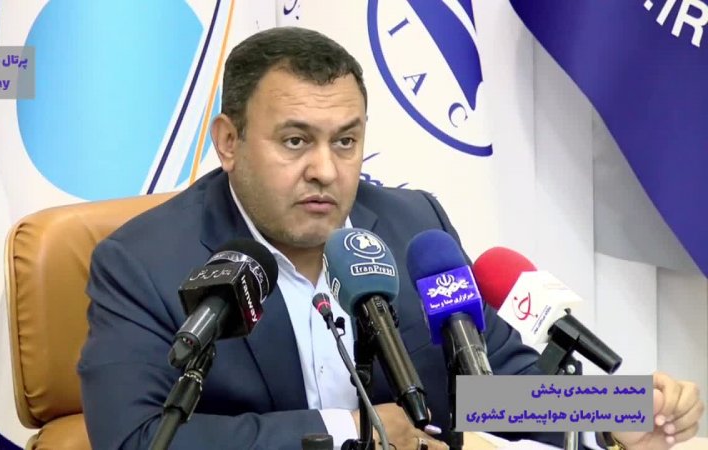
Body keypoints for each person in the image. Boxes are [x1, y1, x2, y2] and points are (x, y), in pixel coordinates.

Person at [78, 27, 704, 450]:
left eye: (345, 141)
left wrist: (611, 414)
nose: (325, 170)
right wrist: (349, 432)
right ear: (228, 141)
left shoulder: (412, 228)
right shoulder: (142, 263)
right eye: (295, 141)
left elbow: (487, 386)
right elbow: (136, 438)